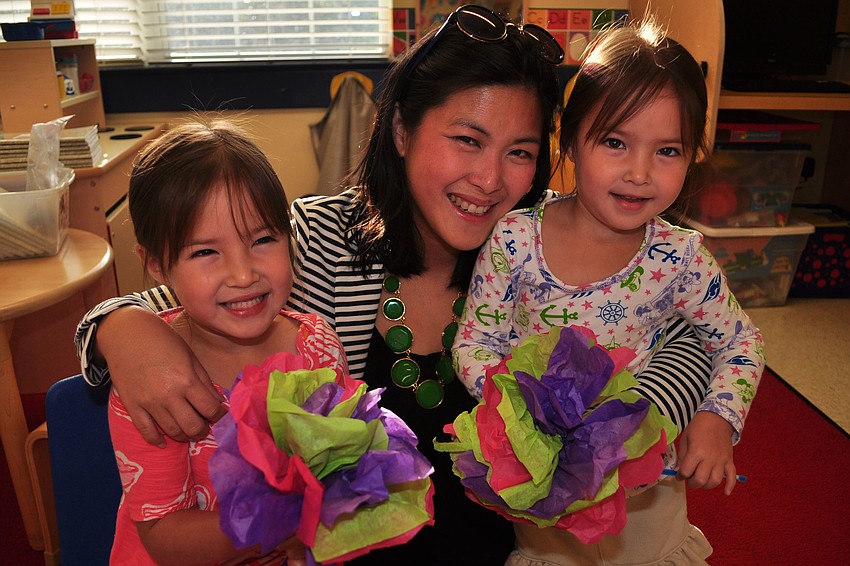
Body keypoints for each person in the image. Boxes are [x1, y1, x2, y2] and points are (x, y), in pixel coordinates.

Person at [74, 5, 715, 564]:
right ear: (403, 130)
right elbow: (187, 295)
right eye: (467, 139)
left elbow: (695, 328)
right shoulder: (318, 240)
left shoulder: (545, 245)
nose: (490, 179)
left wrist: (643, 417)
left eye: (519, 151)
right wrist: (116, 330)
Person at [454, 18, 765, 565]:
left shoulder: (681, 257)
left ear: (694, 153)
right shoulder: (515, 238)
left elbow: (741, 343)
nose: (640, 173)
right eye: (616, 142)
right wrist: (523, 409)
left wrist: (717, 418)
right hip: (546, 482)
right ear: (570, 139)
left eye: (668, 150)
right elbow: (475, 339)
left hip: (646, 496)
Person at [107, 120, 348, 565]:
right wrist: (279, 520)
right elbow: (163, 537)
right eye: (205, 252)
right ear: (157, 265)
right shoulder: (154, 380)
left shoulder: (318, 346)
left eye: (262, 240)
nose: (243, 275)